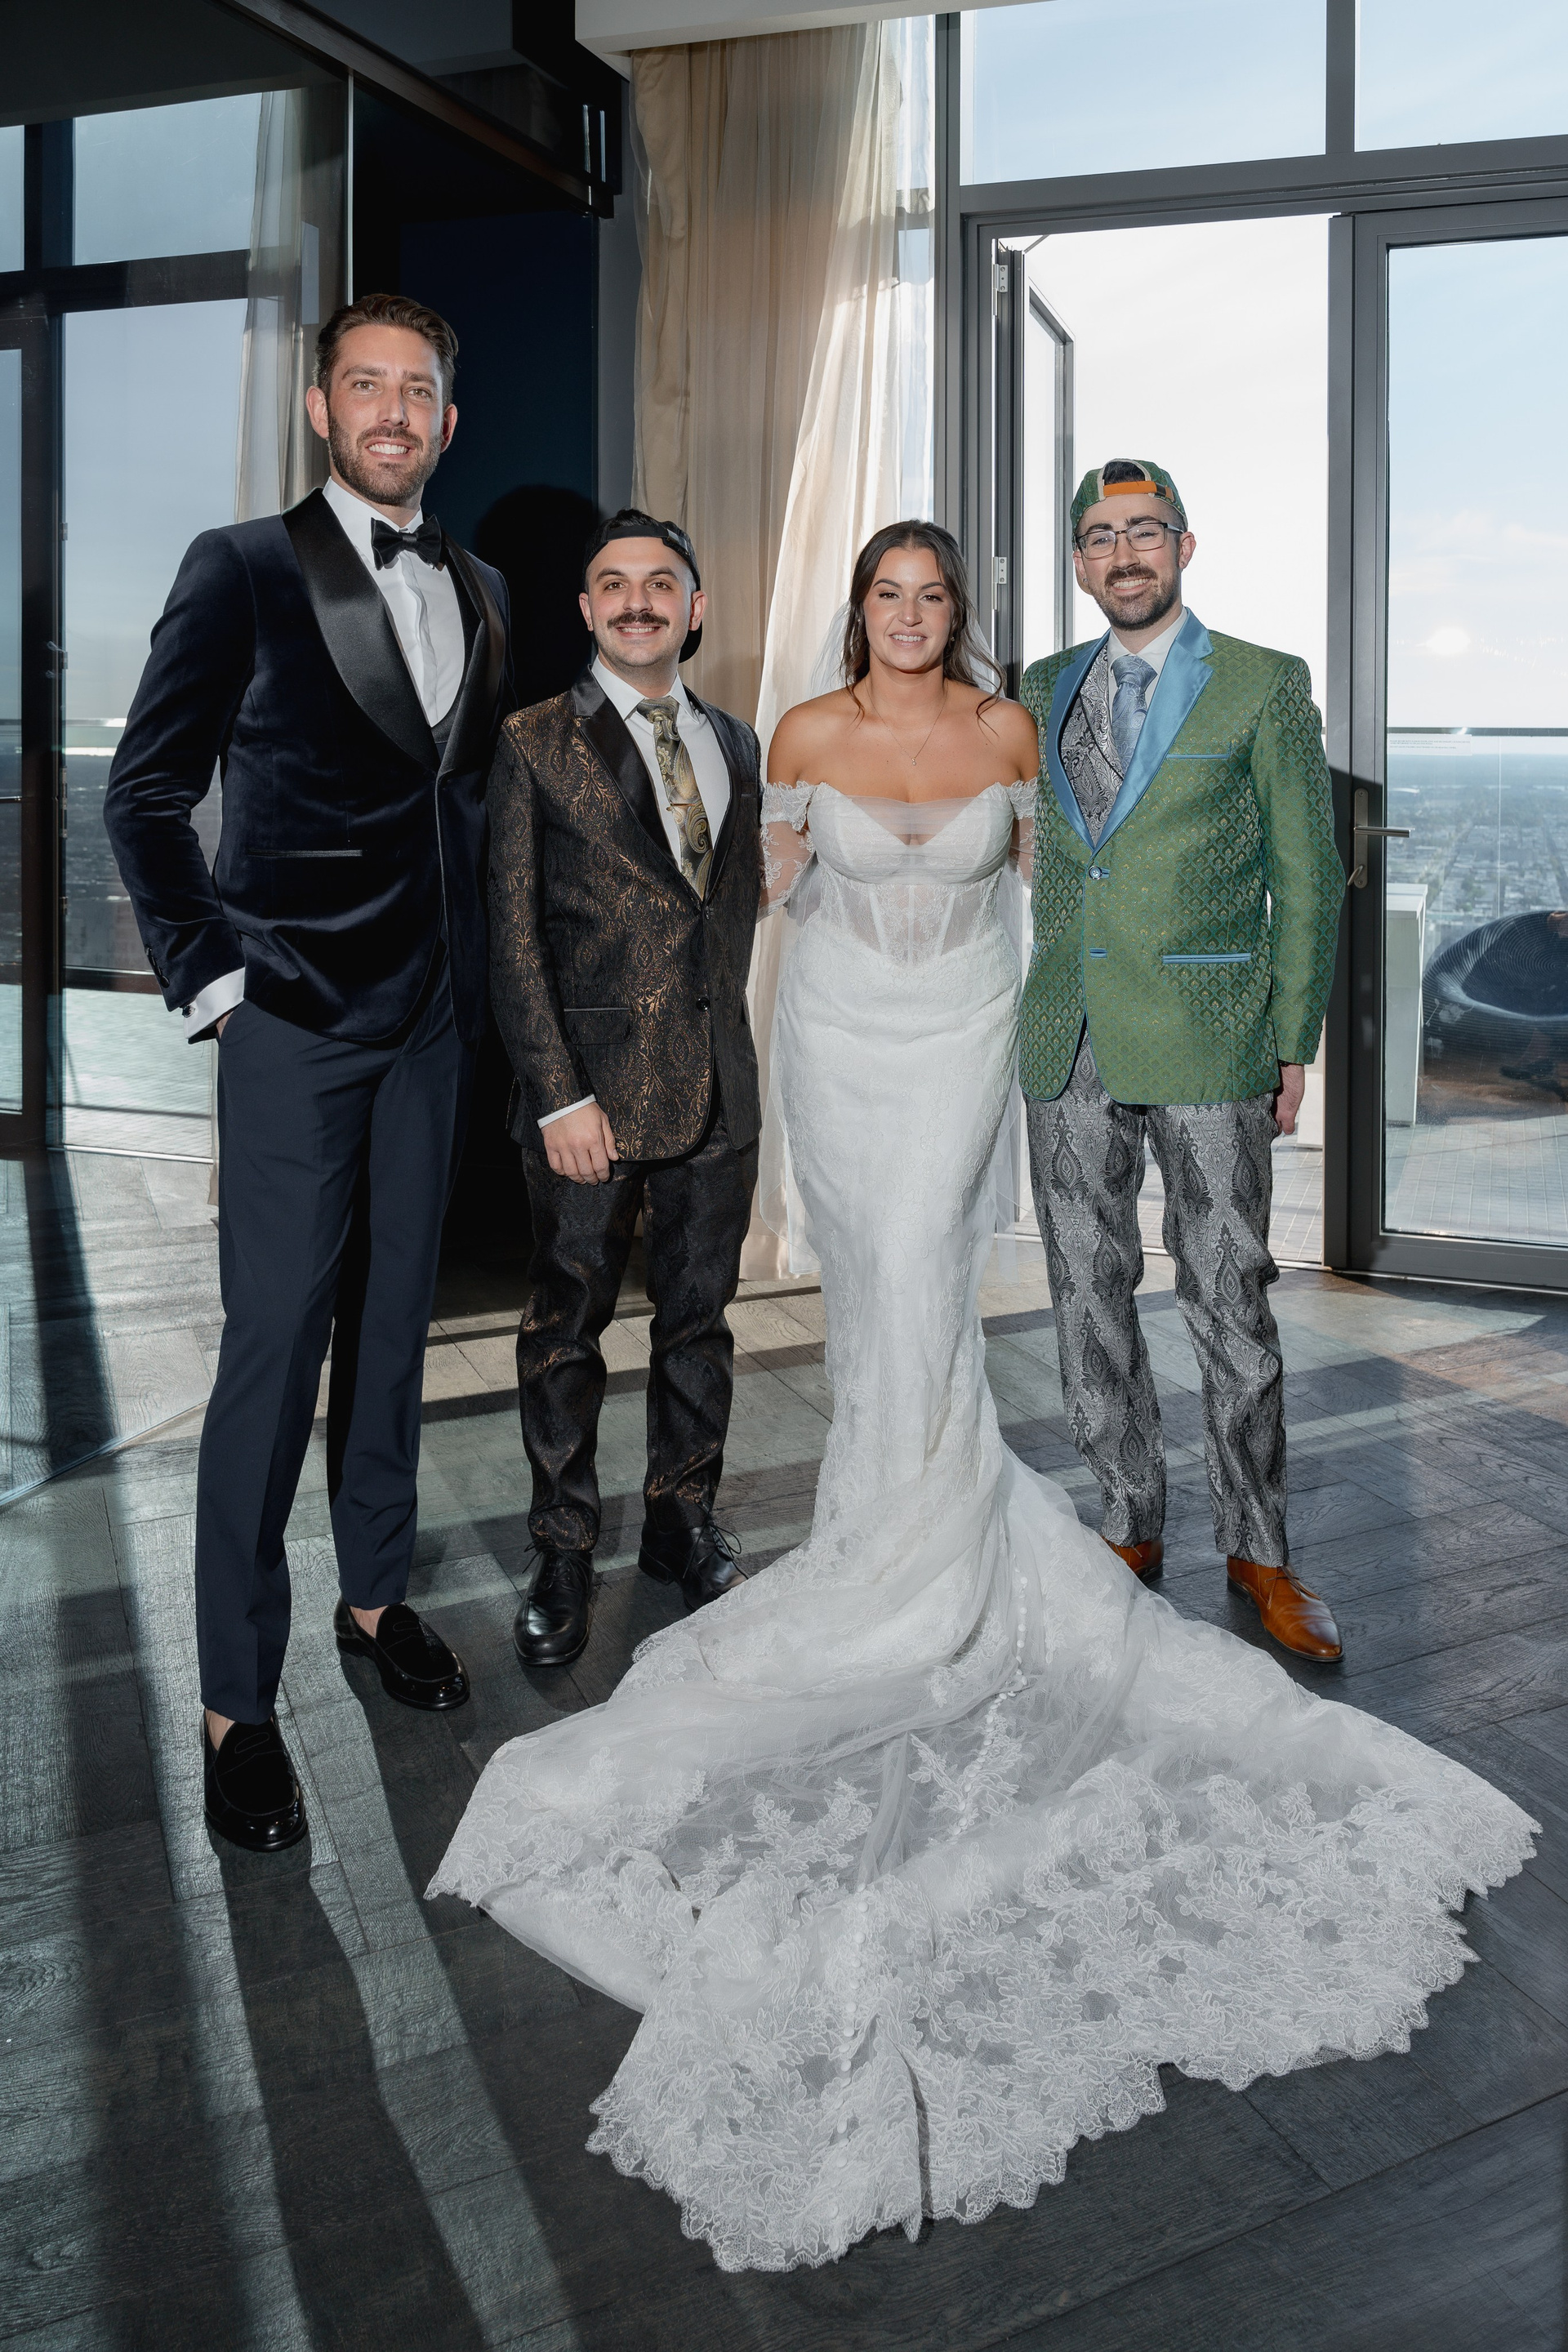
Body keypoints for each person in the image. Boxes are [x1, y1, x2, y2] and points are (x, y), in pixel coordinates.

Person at [432, 519, 1533, 2274]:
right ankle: (878, 1537)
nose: (908, 615)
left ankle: (930, 1540)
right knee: (865, 1292)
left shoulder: (1018, 729)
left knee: (929, 1291)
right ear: (856, 611)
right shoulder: (792, 733)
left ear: (960, 616)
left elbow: (1072, 887)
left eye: (933, 596)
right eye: (886, 594)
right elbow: (733, 906)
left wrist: (1216, 1018)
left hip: (959, 1049)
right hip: (835, 1047)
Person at [104, 292, 514, 1853]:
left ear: (447, 423)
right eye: (366, 384)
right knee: (273, 1353)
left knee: (396, 1328)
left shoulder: (482, 585)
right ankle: (235, 1699)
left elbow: (456, 806)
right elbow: (145, 794)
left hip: (432, 1025)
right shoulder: (241, 567)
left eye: (418, 389)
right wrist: (217, 985)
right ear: (320, 407)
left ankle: (374, 1595)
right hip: (290, 1021)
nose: (393, 411)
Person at [1021, 460, 1346, 1660]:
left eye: (1145, 531)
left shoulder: (1264, 682)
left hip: (1212, 1035)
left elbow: (1310, 878)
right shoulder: (1041, 685)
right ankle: (1128, 1525)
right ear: (1079, 561)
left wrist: (1293, 1038)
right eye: (1101, 536)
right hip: (1068, 1033)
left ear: (1185, 546)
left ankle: (1260, 1552)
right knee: (1084, 1291)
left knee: (1229, 1296)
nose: (1125, 555)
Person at [486, 510, 762, 1668]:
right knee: (566, 1331)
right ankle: (561, 1547)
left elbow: (725, 909)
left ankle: (678, 1519)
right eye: (613, 583)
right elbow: (511, 938)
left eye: (660, 583)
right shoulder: (532, 739)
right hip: (587, 1101)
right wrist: (558, 1096)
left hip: (719, 1089)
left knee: (700, 1323)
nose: (637, 601)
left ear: (694, 608)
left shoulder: (737, 741)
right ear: (586, 609)